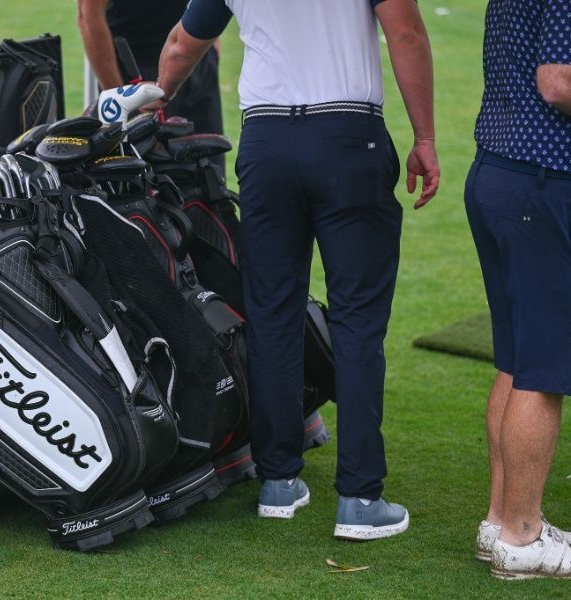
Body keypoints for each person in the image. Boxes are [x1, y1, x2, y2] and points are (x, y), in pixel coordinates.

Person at [149, 0, 439, 540]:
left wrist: (157, 98)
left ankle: (278, 481)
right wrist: (424, 139)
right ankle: (360, 497)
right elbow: (407, 34)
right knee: (357, 320)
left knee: (272, 314)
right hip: (349, 136)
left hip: (268, 143)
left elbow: (181, 45)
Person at [465, 0, 571, 581]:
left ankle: (501, 521)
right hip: (541, 182)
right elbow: (559, 82)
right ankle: (522, 536)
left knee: (517, 359)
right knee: (544, 368)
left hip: (500, 171)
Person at [76, 0, 223, 140]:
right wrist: (117, 98)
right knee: (135, 155)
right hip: (136, 75)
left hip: (198, 64)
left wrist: (212, 41)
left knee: (210, 154)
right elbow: (89, 17)